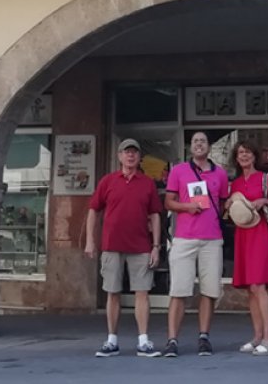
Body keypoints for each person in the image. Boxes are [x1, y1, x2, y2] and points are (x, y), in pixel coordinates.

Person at [85, 138, 163, 358]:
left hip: (141, 246)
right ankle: (111, 340)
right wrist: (90, 240)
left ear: (139, 158)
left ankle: (143, 341)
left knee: (142, 293)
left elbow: (155, 215)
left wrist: (156, 246)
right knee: (112, 292)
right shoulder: (108, 181)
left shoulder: (147, 183)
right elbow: (93, 210)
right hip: (112, 245)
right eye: (126, 152)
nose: (130, 156)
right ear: (119, 156)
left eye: (134, 153)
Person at [162, 131, 228, 357]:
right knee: (179, 291)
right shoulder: (178, 171)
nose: (199, 144)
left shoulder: (220, 173)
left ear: (209, 147)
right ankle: (172, 340)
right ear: (191, 147)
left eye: (203, 141)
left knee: (209, 291)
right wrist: (187, 207)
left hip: (212, 239)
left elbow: (223, 202)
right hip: (184, 239)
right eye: (195, 141)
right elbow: (168, 202)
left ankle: (204, 338)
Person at [225, 140, 268, 355]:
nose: (244, 156)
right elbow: (231, 215)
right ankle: (257, 336)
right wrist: (227, 205)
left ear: (254, 156)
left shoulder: (267, 179)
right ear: (236, 159)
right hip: (243, 235)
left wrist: (264, 200)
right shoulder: (235, 183)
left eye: (247, 152)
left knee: (259, 286)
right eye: (240, 153)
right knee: (250, 288)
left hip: (261, 234)